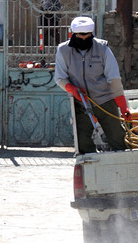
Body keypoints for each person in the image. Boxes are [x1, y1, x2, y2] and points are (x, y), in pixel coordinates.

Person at [54, 16, 131, 154]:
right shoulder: (63, 51)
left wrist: (123, 105)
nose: (84, 39)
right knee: (82, 143)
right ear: (73, 34)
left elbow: (113, 79)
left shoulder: (103, 48)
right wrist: (72, 89)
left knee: (118, 139)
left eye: (87, 36)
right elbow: (60, 78)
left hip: (105, 101)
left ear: (91, 34)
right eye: (80, 36)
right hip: (81, 104)